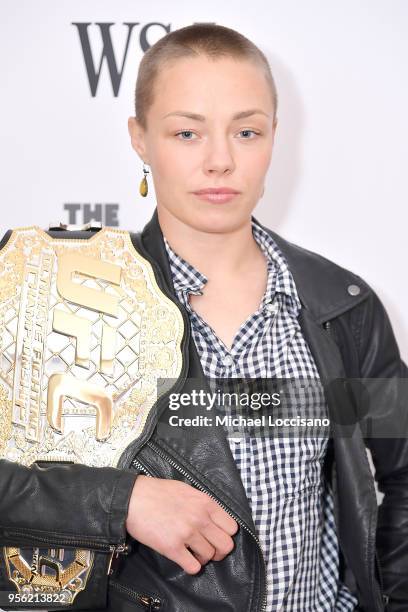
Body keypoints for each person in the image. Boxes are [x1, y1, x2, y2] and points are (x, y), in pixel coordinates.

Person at [0, 22, 406, 612]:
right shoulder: (57, 295)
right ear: (140, 139)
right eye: (187, 133)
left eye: (246, 131)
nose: (220, 161)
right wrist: (123, 501)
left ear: (274, 136)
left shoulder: (340, 308)